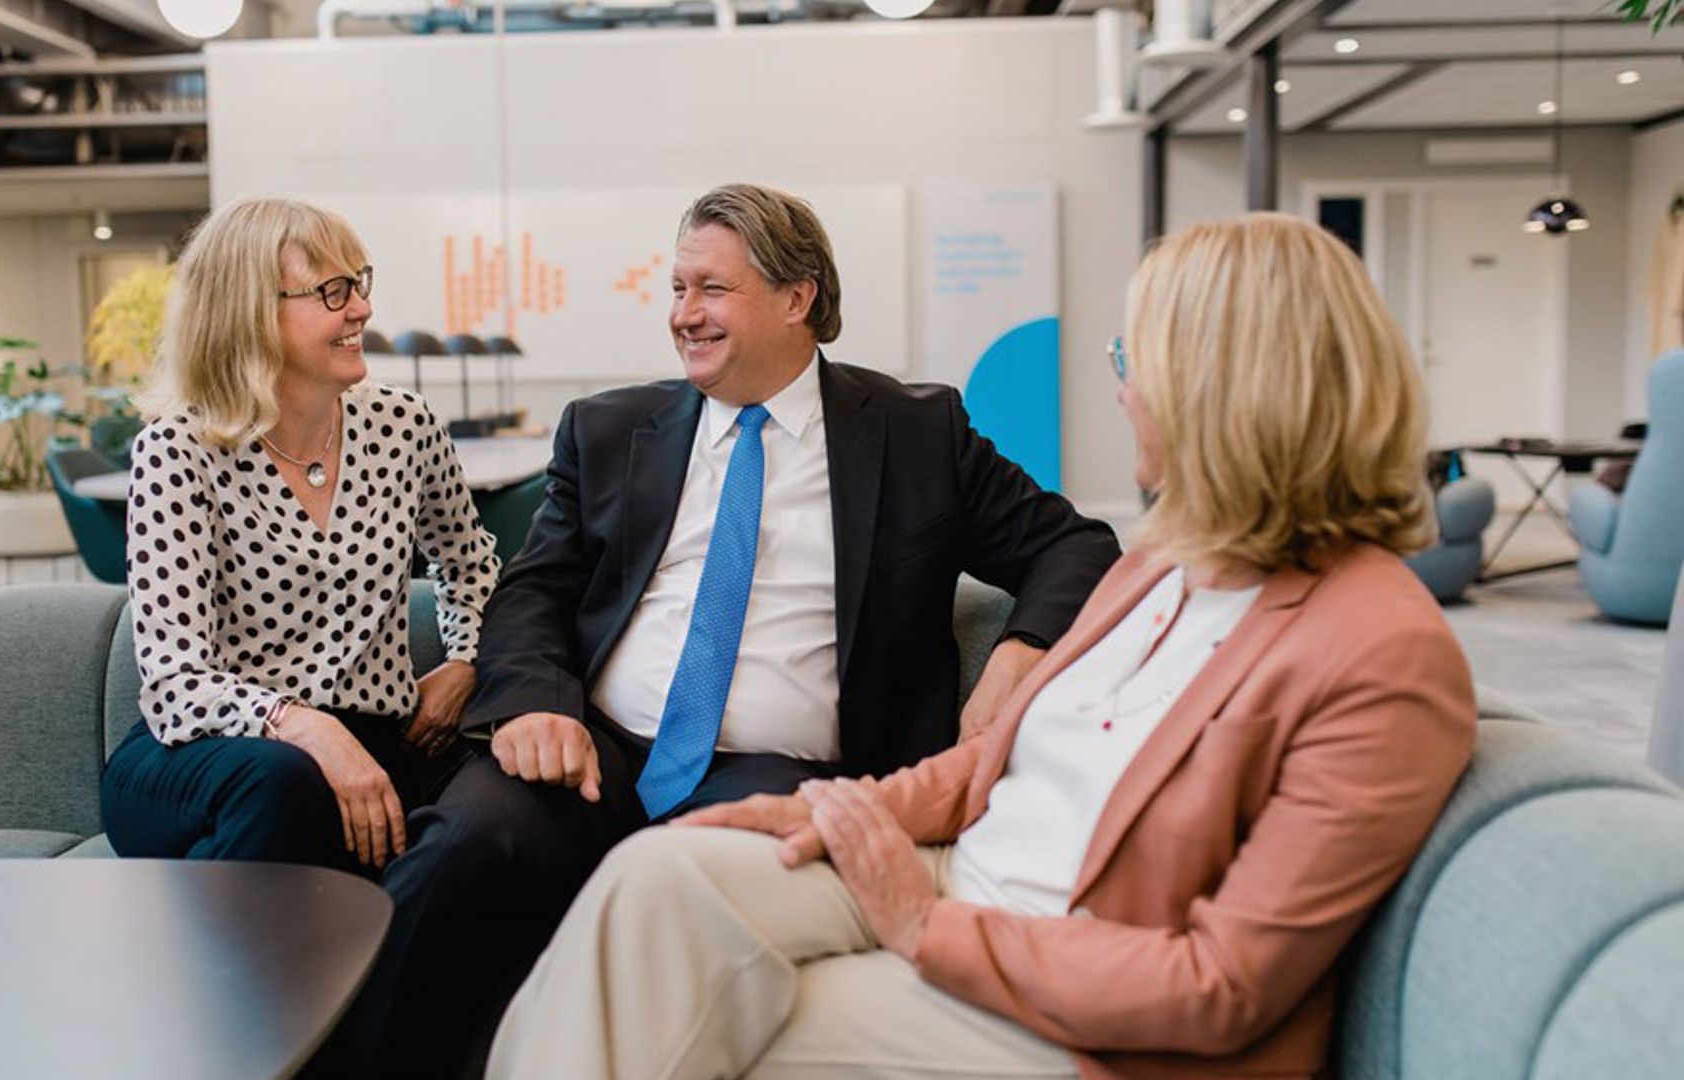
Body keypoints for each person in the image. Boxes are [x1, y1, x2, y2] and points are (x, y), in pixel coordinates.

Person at [485, 211, 1479, 1080]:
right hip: (962, 878)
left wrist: (924, 923)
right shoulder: (1171, 560)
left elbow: (1218, 989)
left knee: (720, 1017)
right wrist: (834, 814)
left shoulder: (1381, 657)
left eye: (1133, 365)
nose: (1122, 395)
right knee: (652, 882)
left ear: (1230, 390)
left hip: (1083, 1000)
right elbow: (983, 774)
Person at [376, 182, 1120, 1073]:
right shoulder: (609, 430)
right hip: (597, 749)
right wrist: (537, 701)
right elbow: (533, 591)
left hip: (784, 772)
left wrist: (1014, 659)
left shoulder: (919, 431)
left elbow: (1075, 546)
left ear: (797, 297)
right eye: (677, 290)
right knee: (464, 847)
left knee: (698, 914)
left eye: (710, 290)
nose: (684, 314)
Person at [98, 196, 500, 1067]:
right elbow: (171, 677)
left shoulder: (403, 427)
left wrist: (465, 657)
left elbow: (472, 565)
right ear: (251, 313)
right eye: (330, 290)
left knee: (495, 810)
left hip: (373, 744)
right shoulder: (179, 451)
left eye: (358, 284)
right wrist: (304, 725)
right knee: (284, 788)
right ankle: (222, 1046)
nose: (360, 308)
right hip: (204, 755)